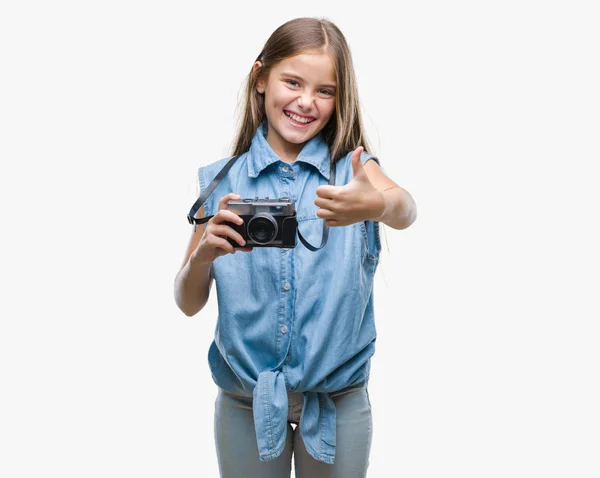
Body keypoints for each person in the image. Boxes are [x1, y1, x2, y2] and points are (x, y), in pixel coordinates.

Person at [174, 16, 417, 478]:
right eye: (292, 82)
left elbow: (405, 209)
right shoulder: (221, 182)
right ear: (261, 78)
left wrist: (375, 204)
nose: (306, 102)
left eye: (325, 91)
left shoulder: (355, 170)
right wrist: (203, 254)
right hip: (244, 403)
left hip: (338, 401)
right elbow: (187, 303)